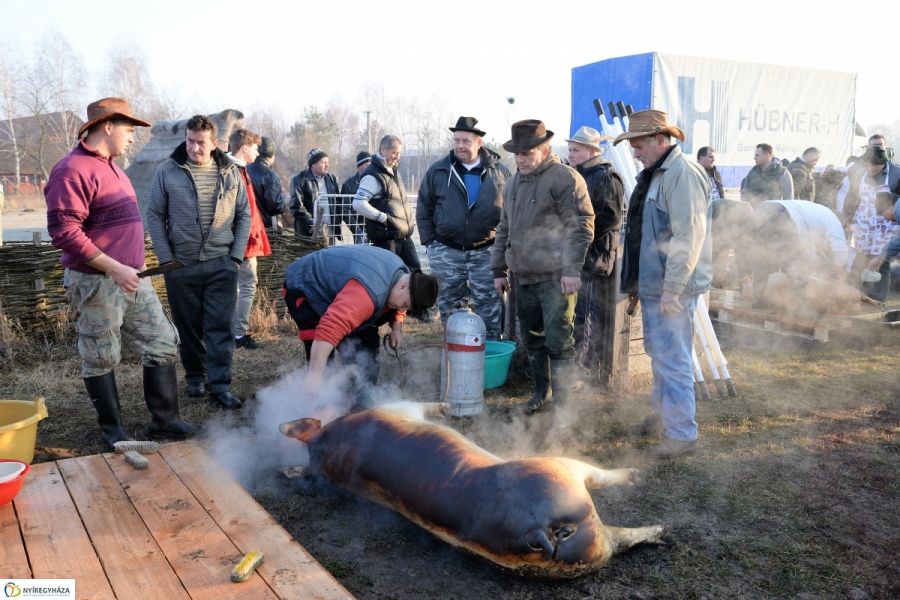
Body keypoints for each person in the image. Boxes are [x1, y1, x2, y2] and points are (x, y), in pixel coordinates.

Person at [44, 97, 196, 448]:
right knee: (100, 354)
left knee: (162, 340)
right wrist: (114, 267)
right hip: (97, 281)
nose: (132, 137)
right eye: (129, 129)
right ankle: (112, 432)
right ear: (107, 126)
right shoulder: (71, 170)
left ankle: (166, 421)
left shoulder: (112, 167)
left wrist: (132, 265)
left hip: (133, 277)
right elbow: (64, 231)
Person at [615, 110, 711, 459]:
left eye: (638, 146)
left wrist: (672, 288)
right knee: (660, 355)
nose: (634, 153)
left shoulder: (680, 174)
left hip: (673, 288)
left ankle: (682, 433)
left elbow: (689, 236)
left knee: (673, 359)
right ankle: (663, 419)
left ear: (660, 140)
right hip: (657, 284)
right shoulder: (655, 174)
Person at [145, 114, 251, 409]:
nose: (194, 148)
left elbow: (244, 215)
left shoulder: (231, 172)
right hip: (181, 264)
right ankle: (195, 376)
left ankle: (220, 385)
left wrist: (235, 257)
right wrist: (166, 259)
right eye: (190, 141)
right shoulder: (167, 170)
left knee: (220, 327)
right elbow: (154, 213)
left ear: (214, 143)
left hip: (221, 263)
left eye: (200, 142)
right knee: (188, 326)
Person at [491, 119, 594, 415]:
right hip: (521, 275)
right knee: (532, 338)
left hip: (556, 277)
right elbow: (504, 227)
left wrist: (572, 270)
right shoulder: (511, 183)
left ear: (545, 148)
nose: (521, 159)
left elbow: (581, 226)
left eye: (528, 153)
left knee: (559, 339)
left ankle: (563, 409)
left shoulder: (565, 178)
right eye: (517, 154)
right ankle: (542, 394)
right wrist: (498, 268)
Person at [283, 245, 439, 401]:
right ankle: (314, 402)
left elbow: (401, 304)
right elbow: (327, 331)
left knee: (364, 350)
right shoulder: (365, 294)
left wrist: (396, 327)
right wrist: (314, 376)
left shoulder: (403, 276)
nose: (402, 308)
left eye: (406, 307)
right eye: (404, 304)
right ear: (404, 286)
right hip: (306, 286)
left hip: (349, 288)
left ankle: (358, 400)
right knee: (322, 365)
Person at [417, 116, 510, 339]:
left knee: (489, 304)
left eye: (465, 141)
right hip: (446, 251)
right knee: (448, 304)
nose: (459, 145)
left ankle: (489, 353)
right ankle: (454, 352)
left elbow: (510, 211)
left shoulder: (500, 173)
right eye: (456, 140)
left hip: (486, 251)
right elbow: (424, 207)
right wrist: (431, 243)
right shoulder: (438, 171)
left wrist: (503, 246)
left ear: (479, 143)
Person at [566, 125, 624, 386]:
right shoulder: (579, 174)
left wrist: (581, 236)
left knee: (585, 315)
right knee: (577, 314)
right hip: (580, 255)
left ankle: (584, 372)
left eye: (575, 150)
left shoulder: (606, 178)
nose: (571, 154)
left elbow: (610, 219)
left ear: (591, 151)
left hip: (595, 258)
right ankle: (577, 368)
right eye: (570, 149)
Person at [750, 200, 849, 308]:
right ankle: (799, 306)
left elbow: (808, 252)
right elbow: (840, 247)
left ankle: (758, 300)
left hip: (762, 208)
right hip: (782, 214)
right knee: (795, 263)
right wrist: (839, 274)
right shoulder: (833, 220)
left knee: (761, 255)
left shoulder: (813, 216)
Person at [227, 128, 271, 350]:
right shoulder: (231, 171)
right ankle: (238, 333)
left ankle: (233, 332)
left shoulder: (238, 169)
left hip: (243, 240)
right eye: (255, 147)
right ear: (245, 148)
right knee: (246, 285)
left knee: (238, 286)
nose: (257, 152)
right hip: (241, 242)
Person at [352, 135, 421, 270]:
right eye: (394, 152)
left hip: (404, 237)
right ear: (383, 149)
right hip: (387, 240)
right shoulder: (372, 175)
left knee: (416, 276)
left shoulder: (393, 171)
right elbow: (358, 203)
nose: (397, 156)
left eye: (399, 153)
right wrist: (382, 218)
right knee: (390, 277)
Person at [840, 146, 900, 300]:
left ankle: (877, 298)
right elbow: (851, 197)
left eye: (875, 165)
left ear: (883, 163)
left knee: (882, 261)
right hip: (864, 222)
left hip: (886, 222)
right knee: (860, 257)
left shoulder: (895, 174)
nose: (871, 168)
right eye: (868, 165)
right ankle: (851, 292)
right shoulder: (859, 174)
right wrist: (846, 219)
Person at [290, 148, 339, 238]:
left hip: (329, 232)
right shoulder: (300, 180)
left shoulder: (331, 178)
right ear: (313, 164)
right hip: (309, 232)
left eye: (328, 162)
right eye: (323, 162)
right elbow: (297, 207)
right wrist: (311, 223)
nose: (327, 165)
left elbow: (337, 202)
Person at [246, 136, 287, 232]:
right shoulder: (270, 175)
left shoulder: (244, 170)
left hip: (246, 226)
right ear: (272, 156)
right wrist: (284, 198)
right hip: (265, 229)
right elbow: (274, 207)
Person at [338, 151, 372, 243]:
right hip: (359, 230)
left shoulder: (376, 182)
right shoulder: (348, 184)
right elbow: (345, 210)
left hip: (375, 228)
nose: (371, 167)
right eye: (368, 164)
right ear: (360, 165)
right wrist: (356, 229)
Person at [867, 191, 900, 278]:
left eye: (883, 215)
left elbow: (898, 240)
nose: (887, 220)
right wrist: (881, 257)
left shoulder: (898, 210)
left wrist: (881, 257)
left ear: (890, 209)